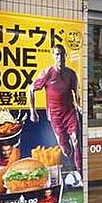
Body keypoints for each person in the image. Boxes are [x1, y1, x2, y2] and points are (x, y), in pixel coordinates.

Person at [29, 45, 82, 186]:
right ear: (53, 56)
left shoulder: (71, 74)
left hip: (70, 112)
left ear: (66, 56)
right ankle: (69, 160)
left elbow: (76, 93)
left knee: (76, 140)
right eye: (57, 54)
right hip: (55, 115)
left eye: (62, 54)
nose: (60, 57)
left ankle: (80, 173)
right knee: (65, 147)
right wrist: (33, 111)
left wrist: (78, 105)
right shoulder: (48, 73)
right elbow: (31, 89)